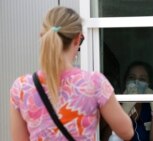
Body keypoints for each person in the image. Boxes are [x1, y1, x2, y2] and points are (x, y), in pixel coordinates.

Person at [9, 6, 133, 141]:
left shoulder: (21, 87)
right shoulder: (94, 83)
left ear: (43, 36)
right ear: (77, 39)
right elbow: (127, 132)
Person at [121, 61, 153, 141]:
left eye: (142, 79)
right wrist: (124, 110)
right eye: (132, 77)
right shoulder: (115, 102)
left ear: (149, 84)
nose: (136, 82)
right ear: (125, 81)